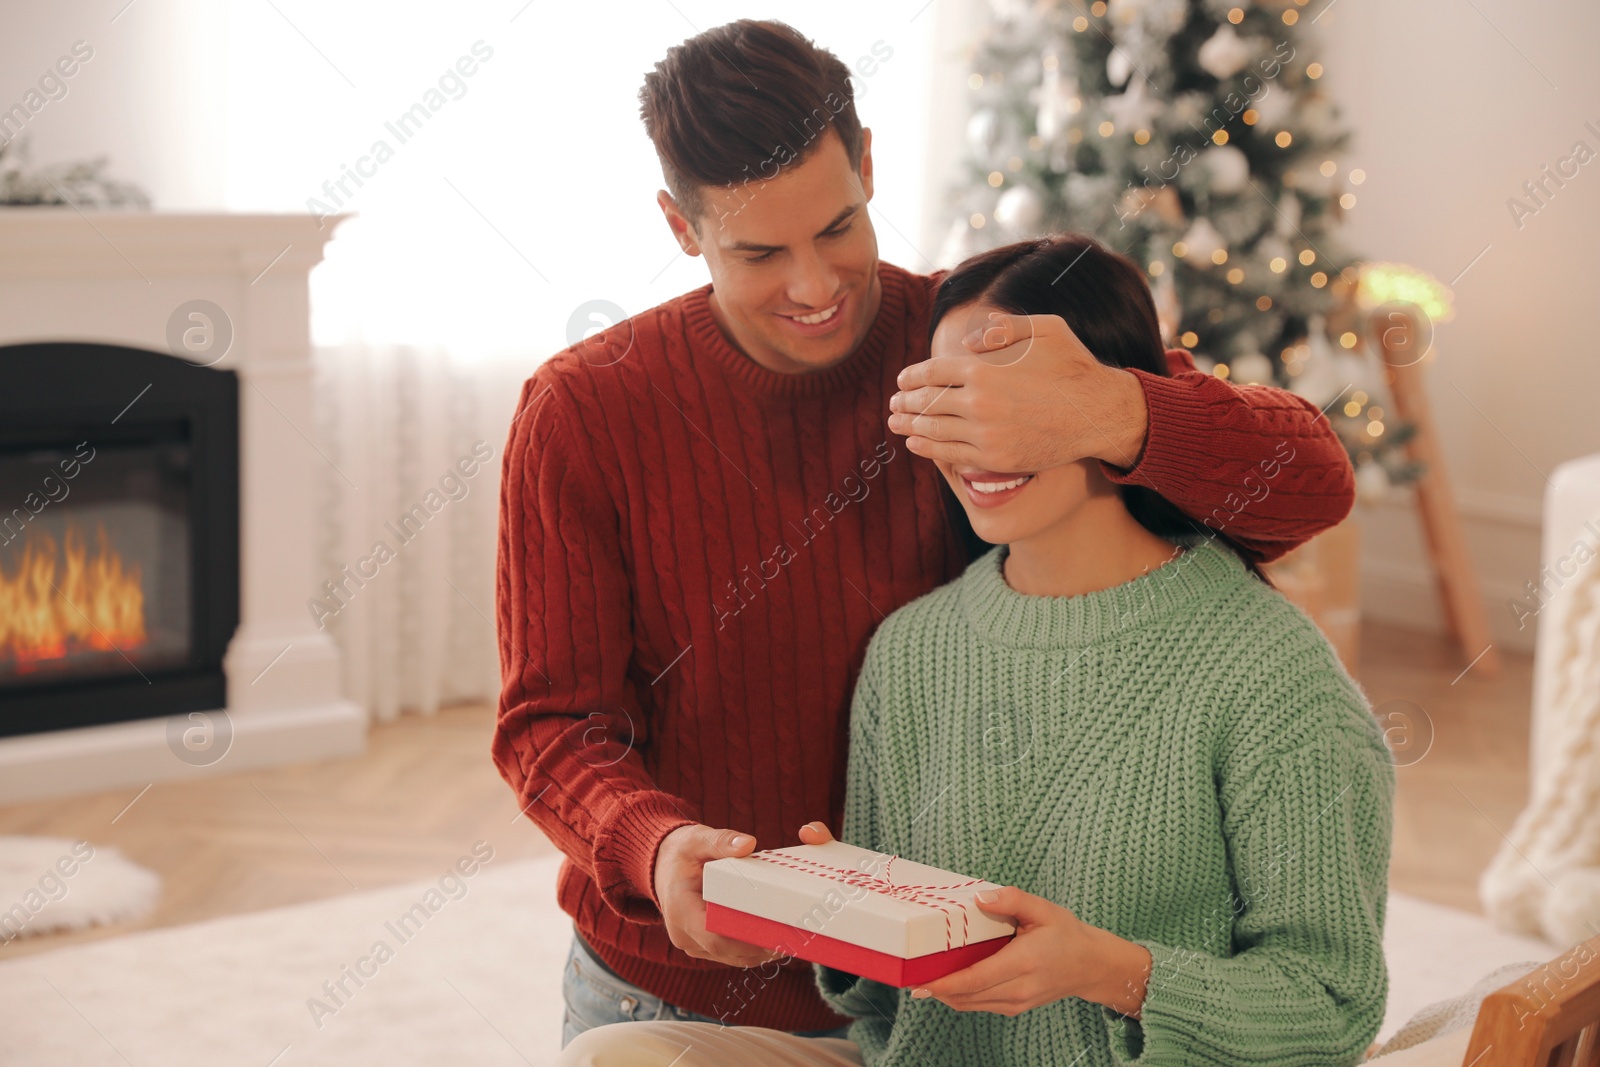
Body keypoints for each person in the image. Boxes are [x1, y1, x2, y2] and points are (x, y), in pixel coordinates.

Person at [492, 18, 1359, 1050]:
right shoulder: (584, 412)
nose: (814, 286)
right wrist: (656, 845)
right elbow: (550, 724)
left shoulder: (975, 341)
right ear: (682, 226)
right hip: (671, 996)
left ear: (865, 164)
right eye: (760, 252)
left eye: (839, 227)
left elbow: (1306, 482)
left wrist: (1108, 410)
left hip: (953, 1006)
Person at [557, 235, 1394, 1067]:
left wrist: (1112, 972)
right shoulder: (910, 649)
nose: (973, 437)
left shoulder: (1270, 671)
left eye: (1003, 399)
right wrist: (828, 906)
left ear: (1104, 397)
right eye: (944, 399)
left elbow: (1333, 1008)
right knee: (614, 1055)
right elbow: (886, 1013)